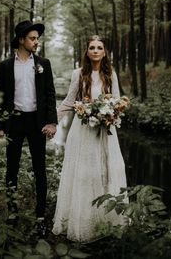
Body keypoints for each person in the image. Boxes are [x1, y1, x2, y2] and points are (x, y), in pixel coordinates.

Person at [52, 35, 127, 243]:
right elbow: (68, 102)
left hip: (104, 131)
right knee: (84, 173)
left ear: (104, 52)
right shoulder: (78, 73)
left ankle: (106, 220)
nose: (95, 50)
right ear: (87, 51)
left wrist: (109, 113)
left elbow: (119, 102)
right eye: (92, 47)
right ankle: (82, 221)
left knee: (105, 170)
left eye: (99, 47)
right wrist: (52, 122)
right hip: (83, 130)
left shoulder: (110, 74)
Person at [0, 20, 57, 236]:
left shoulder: (43, 64)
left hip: (37, 123)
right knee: (11, 168)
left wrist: (52, 122)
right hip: (14, 122)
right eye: (32, 38)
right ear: (21, 40)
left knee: (40, 169)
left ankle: (40, 216)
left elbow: (49, 94)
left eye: (37, 38)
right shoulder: (5, 66)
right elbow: (1, 97)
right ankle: (12, 214)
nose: (36, 42)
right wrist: (0, 126)